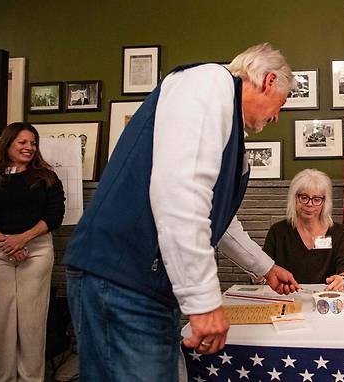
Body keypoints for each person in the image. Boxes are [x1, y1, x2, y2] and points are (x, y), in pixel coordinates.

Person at [64, 43, 300, 381]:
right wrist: (202, 301)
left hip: (146, 286)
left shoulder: (228, 126)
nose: (276, 116)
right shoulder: (208, 83)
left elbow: (216, 218)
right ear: (268, 80)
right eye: (282, 103)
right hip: (121, 277)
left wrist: (266, 268)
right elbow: (181, 193)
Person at [0, 122, 65, 381]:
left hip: (36, 251)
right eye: (22, 142)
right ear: (8, 144)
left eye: (33, 143)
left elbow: (55, 216)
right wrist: (6, 243)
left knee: (32, 322)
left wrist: (23, 239)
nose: (29, 147)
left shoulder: (46, 177)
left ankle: (31, 378)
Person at [263, 169, 344, 290]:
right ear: (294, 198)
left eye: (317, 199)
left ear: (325, 202)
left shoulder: (339, 232)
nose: (310, 204)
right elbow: (263, 269)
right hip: (288, 298)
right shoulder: (278, 231)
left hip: (326, 297)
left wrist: (343, 279)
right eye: (304, 197)